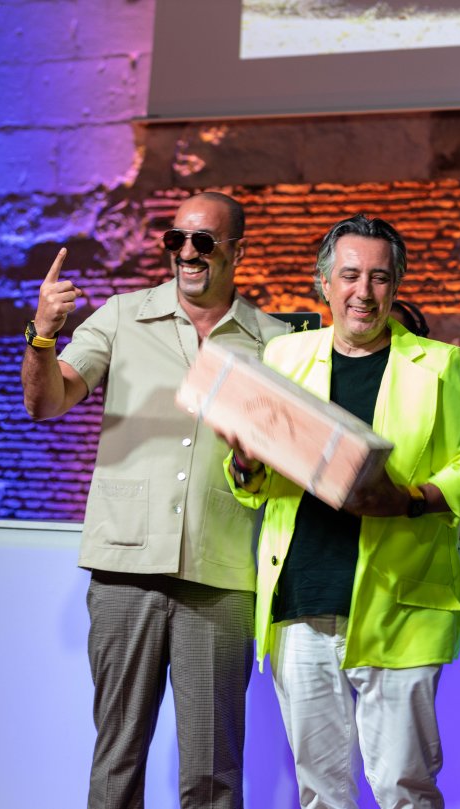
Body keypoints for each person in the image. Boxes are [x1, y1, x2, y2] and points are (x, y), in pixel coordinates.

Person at [21, 191, 290, 809]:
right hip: (125, 569)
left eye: (204, 241)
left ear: (238, 251)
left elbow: (278, 471)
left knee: (214, 774)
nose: (187, 252)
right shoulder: (122, 316)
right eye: (177, 239)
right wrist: (42, 334)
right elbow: (46, 402)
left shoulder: (273, 342)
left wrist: (250, 465)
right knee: (117, 761)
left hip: (221, 576)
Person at [221, 214, 460, 808]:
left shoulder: (439, 366)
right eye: (349, 276)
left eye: (379, 277)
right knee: (320, 792)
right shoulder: (284, 356)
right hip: (301, 600)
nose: (363, 292)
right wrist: (244, 463)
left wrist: (412, 499)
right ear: (324, 283)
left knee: (403, 788)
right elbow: (256, 483)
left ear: (396, 286)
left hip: (400, 607)